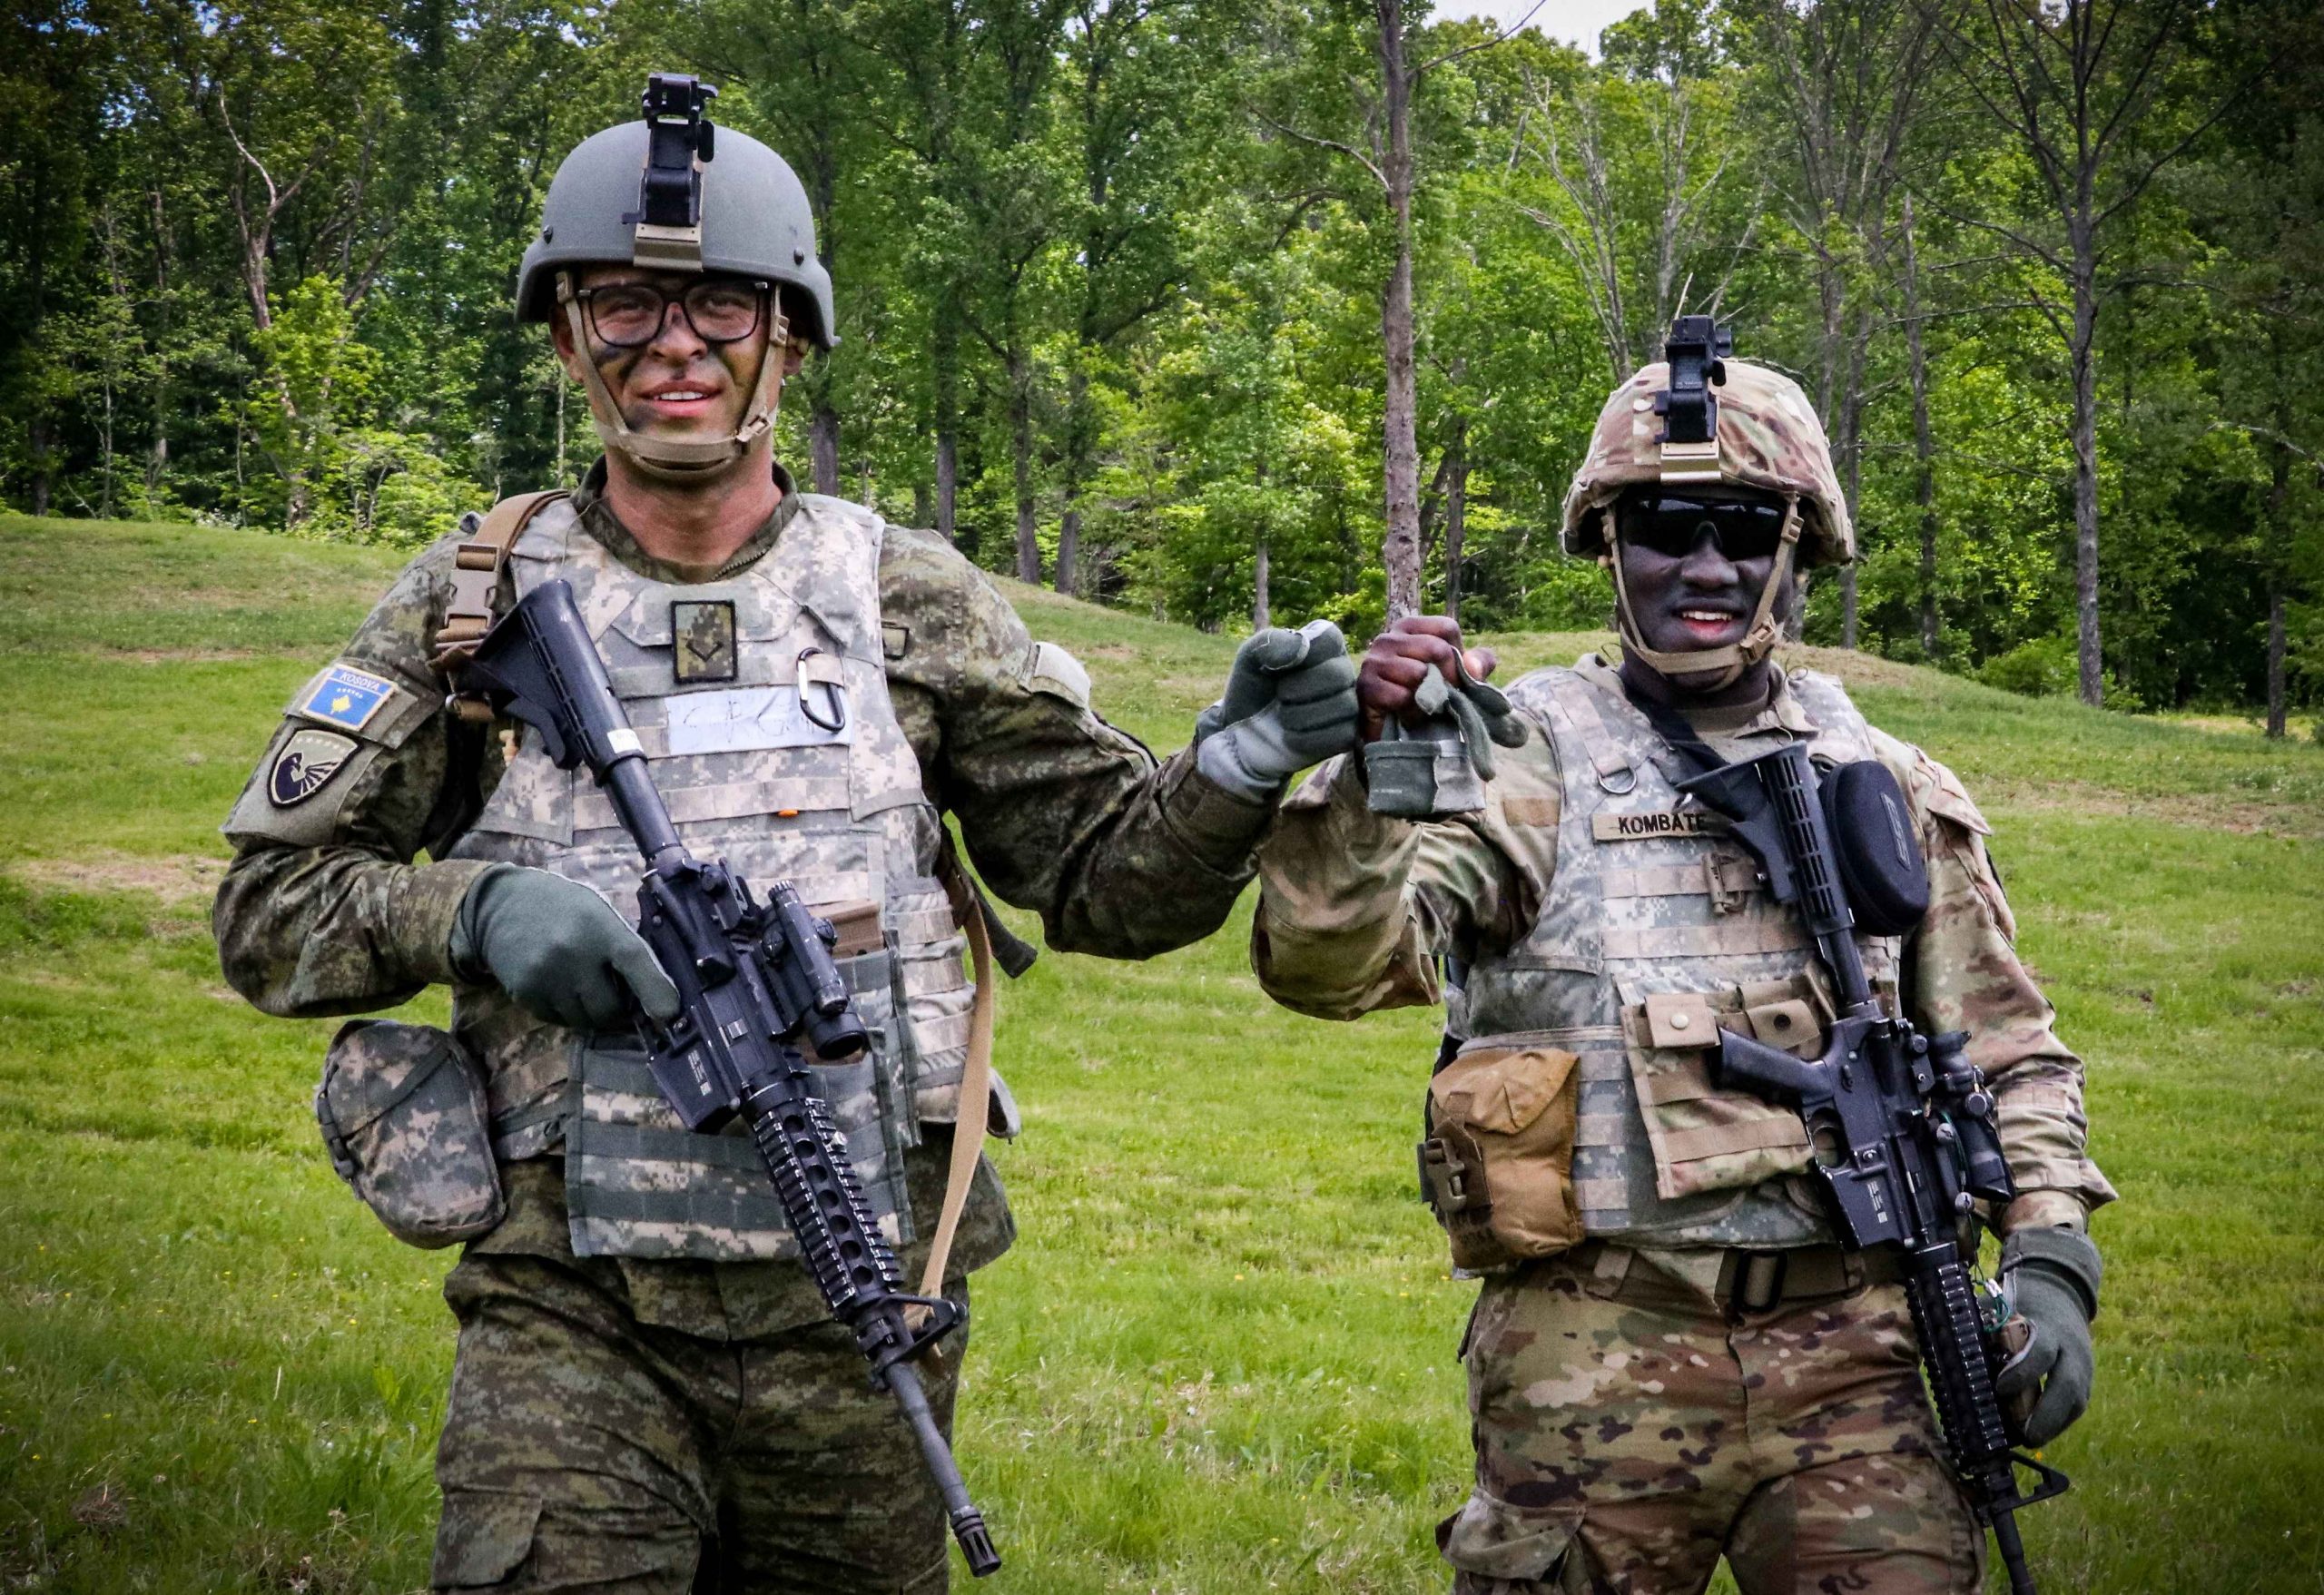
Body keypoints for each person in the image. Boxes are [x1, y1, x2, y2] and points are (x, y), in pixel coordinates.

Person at [213, 75, 1357, 1594]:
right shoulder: (468, 603)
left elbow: (1102, 881)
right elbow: (266, 909)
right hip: (572, 1312)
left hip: (863, 1305)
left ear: (789, 338)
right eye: (624, 306)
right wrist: (467, 914)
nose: (672, 346)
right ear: (567, 336)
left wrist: (1235, 767)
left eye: (720, 308)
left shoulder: (901, 593)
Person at [1248, 339, 2113, 1594]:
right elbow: (1327, 972)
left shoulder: (1881, 777)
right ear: (1610, 545)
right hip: (1593, 1347)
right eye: (1663, 528)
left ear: (1796, 549)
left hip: (1859, 1357)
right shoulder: (1519, 760)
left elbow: (2009, 1052)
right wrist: (1373, 783)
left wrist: (2050, 1258)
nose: (1704, 566)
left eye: (1743, 530)